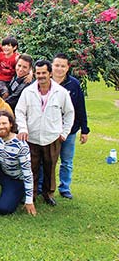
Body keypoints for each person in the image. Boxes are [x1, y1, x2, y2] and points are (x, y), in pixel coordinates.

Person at [16, 59, 74, 206]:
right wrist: (23, 128)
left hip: (52, 137)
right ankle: (31, 194)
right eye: (38, 73)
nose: (41, 76)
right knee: (31, 167)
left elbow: (69, 113)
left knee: (50, 167)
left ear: (50, 73)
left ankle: (48, 194)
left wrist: (64, 133)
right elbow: (20, 111)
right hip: (32, 137)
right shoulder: (28, 91)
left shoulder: (60, 92)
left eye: (44, 73)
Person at [52, 53, 90, 199]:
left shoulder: (74, 84)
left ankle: (65, 187)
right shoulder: (44, 82)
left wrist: (85, 130)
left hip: (70, 130)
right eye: (57, 65)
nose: (59, 69)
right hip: (50, 130)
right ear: (52, 66)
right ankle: (42, 186)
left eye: (63, 66)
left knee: (66, 161)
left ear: (68, 68)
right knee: (47, 161)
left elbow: (80, 107)